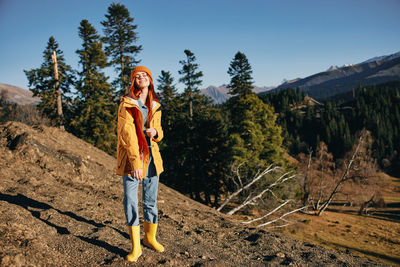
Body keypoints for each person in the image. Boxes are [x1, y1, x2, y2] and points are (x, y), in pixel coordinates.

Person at [116, 66, 164, 262]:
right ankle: (136, 247)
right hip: (132, 159)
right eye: (138, 76)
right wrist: (135, 163)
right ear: (133, 81)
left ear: (150, 80)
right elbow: (127, 136)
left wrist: (156, 133)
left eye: (145, 75)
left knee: (150, 201)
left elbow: (160, 130)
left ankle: (149, 238)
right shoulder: (127, 104)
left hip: (153, 158)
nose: (141, 78)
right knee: (130, 201)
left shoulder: (155, 104)